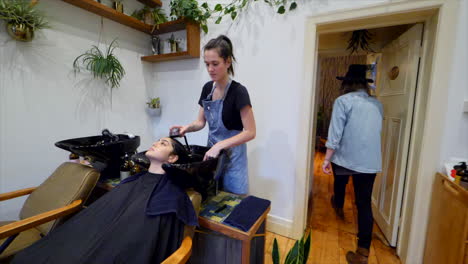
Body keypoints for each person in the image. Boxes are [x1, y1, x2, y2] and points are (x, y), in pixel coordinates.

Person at [12, 137, 197, 264]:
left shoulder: (170, 196)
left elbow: (143, 242)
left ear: (172, 158)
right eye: (156, 140)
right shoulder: (134, 181)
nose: (156, 143)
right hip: (89, 242)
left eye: (163, 143)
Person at [170, 35, 256, 195]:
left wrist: (219, 145)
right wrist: (186, 128)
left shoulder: (239, 92)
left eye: (215, 64)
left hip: (233, 160)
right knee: (211, 197)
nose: (210, 69)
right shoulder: (207, 89)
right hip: (211, 157)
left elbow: (251, 132)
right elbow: (200, 122)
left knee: (233, 204)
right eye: (207, 64)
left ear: (228, 62)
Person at [321, 64, 383, 264]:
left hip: (346, 156)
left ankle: (338, 205)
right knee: (364, 203)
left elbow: (335, 133)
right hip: (370, 160)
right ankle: (363, 253)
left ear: (346, 83)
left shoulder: (343, 101)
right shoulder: (377, 104)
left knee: (340, 181)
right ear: (364, 85)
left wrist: (326, 158)